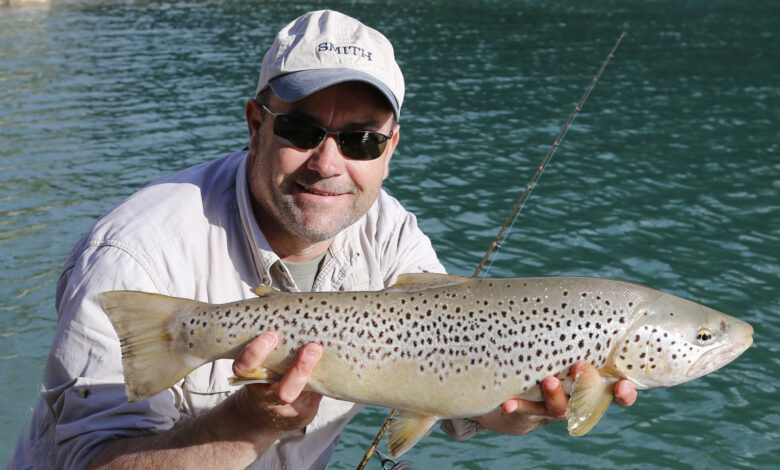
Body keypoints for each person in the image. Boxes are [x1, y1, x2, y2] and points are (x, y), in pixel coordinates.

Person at [10, 10, 637, 469]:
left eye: (362, 140)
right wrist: (244, 422)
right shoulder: (135, 253)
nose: (328, 164)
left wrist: (505, 408)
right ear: (256, 124)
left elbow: (452, 381)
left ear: (391, 150)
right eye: (302, 130)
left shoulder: (392, 236)